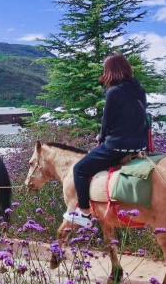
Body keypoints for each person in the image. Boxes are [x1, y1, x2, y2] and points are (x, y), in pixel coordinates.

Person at [64, 53, 149, 227]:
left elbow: (107, 121)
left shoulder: (114, 92)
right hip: (140, 147)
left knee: (80, 169)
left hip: (117, 147)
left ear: (111, 71)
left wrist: (101, 137)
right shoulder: (139, 89)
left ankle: (84, 213)